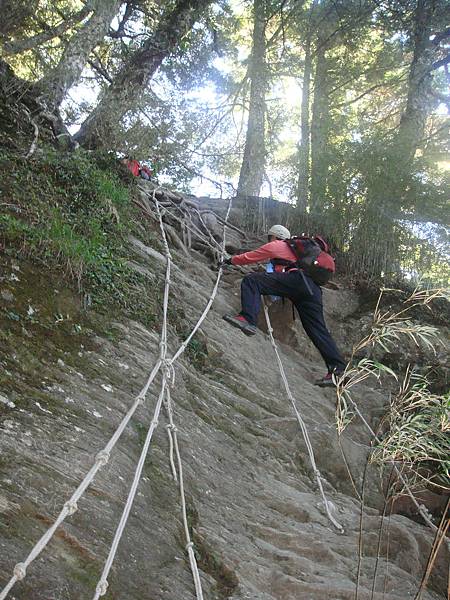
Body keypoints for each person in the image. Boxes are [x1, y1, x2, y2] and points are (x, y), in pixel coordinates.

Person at [220, 224, 346, 387]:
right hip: (312, 290)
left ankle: (247, 319)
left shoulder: (277, 246)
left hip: (295, 281)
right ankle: (338, 370)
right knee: (317, 330)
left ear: (274, 236)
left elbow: (250, 257)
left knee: (252, 281)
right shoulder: (299, 252)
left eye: (269, 237)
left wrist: (230, 260)